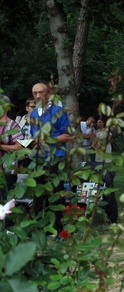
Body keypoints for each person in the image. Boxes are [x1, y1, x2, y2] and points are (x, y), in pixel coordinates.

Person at [30, 82, 72, 232]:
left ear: (48, 94)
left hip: (55, 157)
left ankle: (57, 228)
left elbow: (67, 136)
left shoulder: (58, 111)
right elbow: (33, 135)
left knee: (56, 193)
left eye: (41, 92)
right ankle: (40, 228)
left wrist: (47, 140)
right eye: (35, 93)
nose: (37, 96)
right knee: (38, 193)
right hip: (38, 158)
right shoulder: (33, 113)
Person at [0, 95, 24, 192]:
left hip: (7, 169)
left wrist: (1, 146)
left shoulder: (13, 125)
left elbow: (20, 146)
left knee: (6, 200)